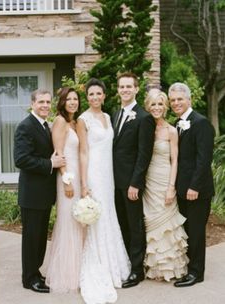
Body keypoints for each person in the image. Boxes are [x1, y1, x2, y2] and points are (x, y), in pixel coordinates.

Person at [77, 78, 130, 304]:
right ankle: (99, 263)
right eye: (91, 94)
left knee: (109, 215)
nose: (95, 98)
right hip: (94, 175)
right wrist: (84, 182)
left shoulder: (109, 117)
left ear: (105, 96)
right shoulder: (83, 119)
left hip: (108, 176)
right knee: (97, 218)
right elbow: (83, 152)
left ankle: (113, 262)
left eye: (99, 94)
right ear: (86, 97)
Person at [14, 89, 66, 293]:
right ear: (32, 103)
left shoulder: (45, 125)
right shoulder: (25, 127)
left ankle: (35, 272)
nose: (45, 105)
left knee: (40, 236)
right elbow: (21, 159)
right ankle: (29, 279)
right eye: (41, 102)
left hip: (44, 195)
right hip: (32, 195)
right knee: (31, 238)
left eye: (48, 102)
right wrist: (49, 163)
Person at [168, 82, 215, 287]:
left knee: (195, 232)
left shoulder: (201, 123)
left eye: (180, 99)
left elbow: (203, 160)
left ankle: (197, 273)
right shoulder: (176, 123)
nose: (176, 103)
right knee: (187, 230)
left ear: (189, 100)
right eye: (173, 100)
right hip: (181, 190)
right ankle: (189, 268)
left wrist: (194, 187)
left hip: (197, 190)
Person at [112, 72, 155, 288]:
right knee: (121, 224)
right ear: (118, 89)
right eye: (122, 86)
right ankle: (126, 263)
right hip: (114, 183)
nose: (125, 90)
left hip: (130, 184)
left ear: (137, 89)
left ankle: (137, 271)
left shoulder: (144, 117)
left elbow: (143, 154)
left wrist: (135, 183)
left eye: (129, 86)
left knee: (135, 226)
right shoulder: (115, 114)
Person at [143, 88, 188, 282]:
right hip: (147, 182)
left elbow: (175, 160)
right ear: (148, 107)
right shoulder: (144, 128)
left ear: (165, 106)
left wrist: (171, 187)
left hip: (164, 179)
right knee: (151, 223)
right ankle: (153, 267)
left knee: (167, 223)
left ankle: (170, 267)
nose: (157, 108)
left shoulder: (171, 131)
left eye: (160, 104)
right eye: (153, 104)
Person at [45, 87, 84, 292]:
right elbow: (58, 154)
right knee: (68, 221)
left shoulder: (75, 122)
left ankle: (79, 269)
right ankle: (67, 272)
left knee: (79, 222)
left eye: (75, 99)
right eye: (68, 99)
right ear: (62, 102)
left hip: (78, 177)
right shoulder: (60, 121)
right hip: (67, 179)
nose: (72, 102)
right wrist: (67, 181)